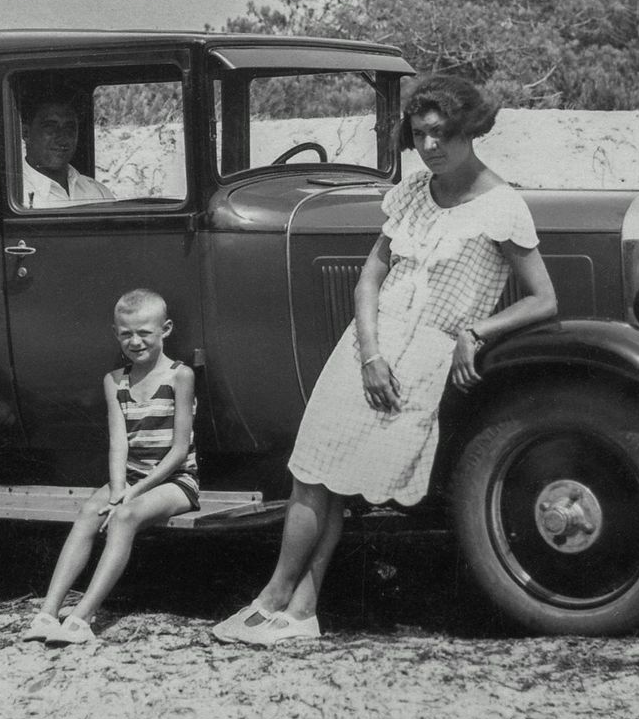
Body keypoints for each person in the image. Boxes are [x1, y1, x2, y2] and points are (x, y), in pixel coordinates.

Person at [214, 76, 558, 646]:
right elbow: (371, 278)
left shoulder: (503, 206)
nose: (429, 146)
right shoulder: (413, 193)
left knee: (327, 476)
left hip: (424, 357)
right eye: (420, 134)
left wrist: (479, 329)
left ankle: (276, 602)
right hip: (368, 345)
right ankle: (296, 610)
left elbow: (543, 300)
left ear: (470, 131)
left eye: (442, 134)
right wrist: (370, 352)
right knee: (315, 473)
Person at [22, 288, 200, 645]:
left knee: (124, 516)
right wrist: (117, 488)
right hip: (130, 477)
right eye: (126, 333)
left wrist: (128, 496)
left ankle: (81, 617)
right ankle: (47, 612)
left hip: (175, 480)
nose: (135, 342)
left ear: (165, 330)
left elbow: (180, 451)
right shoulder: (114, 381)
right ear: (115, 333)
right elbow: (118, 442)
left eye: (144, 333)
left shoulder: (180, 376)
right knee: (89, 511)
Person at [18, 86, 114, 207]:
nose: (62, 138)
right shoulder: (13, 196)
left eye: (69, 128)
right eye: (50, 127)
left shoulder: (98, 193)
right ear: (26, 133)